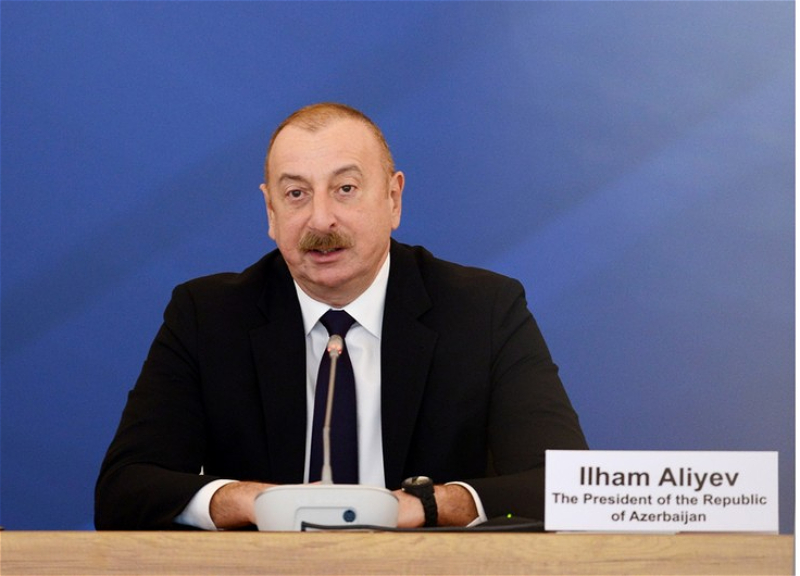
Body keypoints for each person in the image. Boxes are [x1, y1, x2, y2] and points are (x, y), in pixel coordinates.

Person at [95, 102, 588, 530]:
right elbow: (123, 489)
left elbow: (567, 488)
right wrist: (248, 500)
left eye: (345, 188)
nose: (321, 219)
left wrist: (426, 505)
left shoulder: (483, 311)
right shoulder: (208, 317)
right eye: (296, 194)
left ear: (393, 198)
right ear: (270, 212)